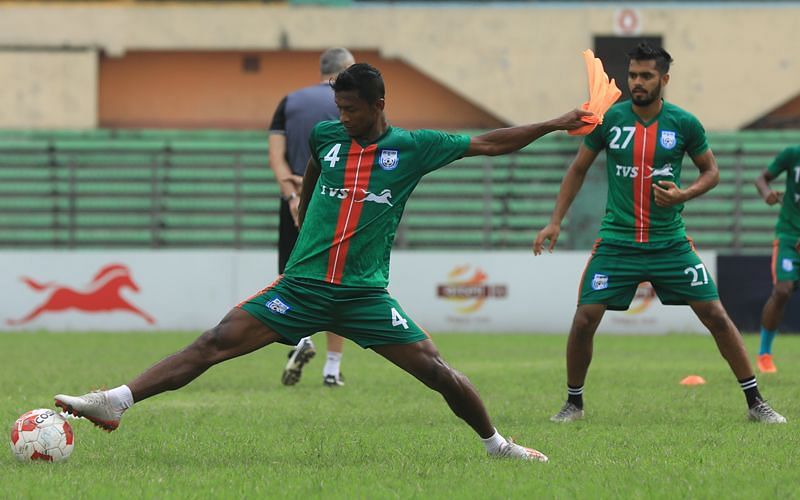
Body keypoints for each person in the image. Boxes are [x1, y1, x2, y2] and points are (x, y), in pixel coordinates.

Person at [54, 63, 591, 461]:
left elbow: (491, 143)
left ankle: (497, 446)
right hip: (304, 285)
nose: (342, 117)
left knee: (438, 372)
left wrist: (555, 122)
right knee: (215, 341)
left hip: (363, 295)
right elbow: (314, 163)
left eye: (351, 109)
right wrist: (305, 208)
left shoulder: (414, 147)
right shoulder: (329, 135)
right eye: (339, 108)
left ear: (379, 104)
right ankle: (116, 401)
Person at [534, 43, 786, 424]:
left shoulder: (683, 123)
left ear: (664, 79)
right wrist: (555, 221)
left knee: (716, 315)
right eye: (633, 75)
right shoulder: (610, 121)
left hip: (669, 242)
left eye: (646, 75)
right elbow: (578, 170)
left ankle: (756, 403)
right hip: (617, 242)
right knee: (585, 318)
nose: (637, 82)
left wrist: (685, 194)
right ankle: (574, 403)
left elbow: (711, 172)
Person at [269, 47, 354, 387]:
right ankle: (332, 369)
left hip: (293, 201)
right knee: (339, 282)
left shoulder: (289, 101)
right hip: (336, 201)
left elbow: (276, 158)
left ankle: (302, 340)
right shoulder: (351, 101)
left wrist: (293, 196)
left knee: (292, 278)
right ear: (346, 70)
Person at [753, 146, 800, 373]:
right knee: (782, 291)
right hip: (789, 236)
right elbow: (761, 179)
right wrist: (767, 194)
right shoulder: (792, 154)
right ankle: (764, 354)